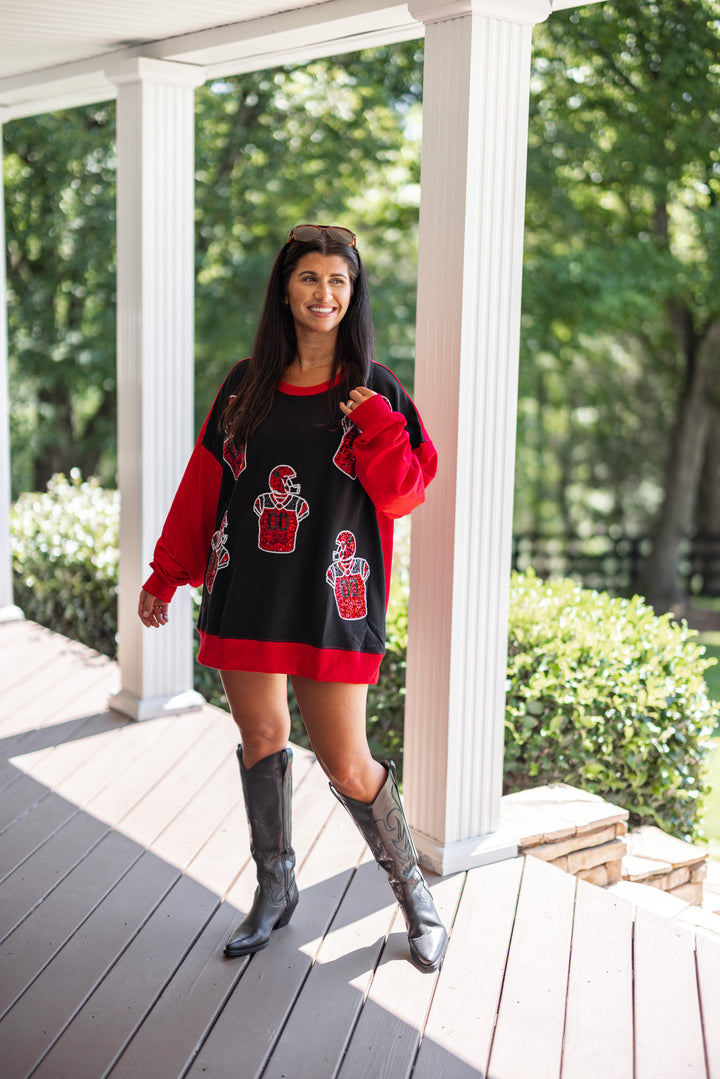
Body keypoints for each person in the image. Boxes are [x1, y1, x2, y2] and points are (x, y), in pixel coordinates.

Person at [137, 223, 447, 972]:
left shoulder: (376, 391)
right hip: (246, 591)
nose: (325, 294)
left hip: (334, 601)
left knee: (347, 763)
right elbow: (205, 484)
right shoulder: (244, 384)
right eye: (310, 278)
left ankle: (414, 895)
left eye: (339, 281)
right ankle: (274, 890)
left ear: (353, 294)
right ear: (285, 288)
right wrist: (166, 572)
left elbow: (405, 494)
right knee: (263, 740)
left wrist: (375, 422)